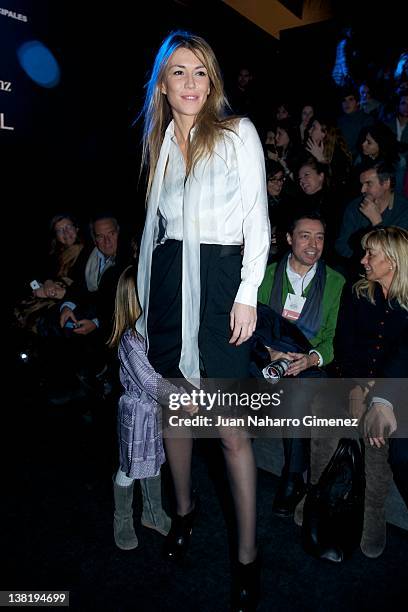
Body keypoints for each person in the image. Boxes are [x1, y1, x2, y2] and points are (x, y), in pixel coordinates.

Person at [137, 30, 270, 610]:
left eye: (199, 72)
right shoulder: (161, 141)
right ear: (163, 85)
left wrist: (247, 292)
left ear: (211, 80)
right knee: (175, 407)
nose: (189, 83)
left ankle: (247, 556)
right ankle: (184, 514)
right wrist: (146, 294)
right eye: (177, 73)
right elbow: (156, 229)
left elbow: (258, 219)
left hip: (221, 280)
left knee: (232, 430)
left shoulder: (238, 132)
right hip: (170, 276)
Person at [318, 227, 408, 558]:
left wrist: (376, 395)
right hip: (352, 379)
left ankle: (372, 523)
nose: (363, 260)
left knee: (377, 437)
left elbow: (402, 360)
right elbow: (345, 345)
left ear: (394, 261)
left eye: (371, 254)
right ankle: (319, 501)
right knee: (325, 415)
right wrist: (356, 387)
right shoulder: (357, 294)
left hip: (396, 392)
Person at [257, 213, 345, 517]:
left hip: (310, 362)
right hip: (268, 356)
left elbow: (335, 337)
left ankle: (293, 477)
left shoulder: (336, 282)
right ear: (289, 239)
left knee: (298, 387)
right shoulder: (266, 274)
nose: (313, 244)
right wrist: (270, 352)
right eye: (305, 236)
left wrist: (311, 358)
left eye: (319, 237)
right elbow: (252, 323)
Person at [109, 265, 191, 550]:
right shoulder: (130, 341)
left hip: (155, 411)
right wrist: (180, 398)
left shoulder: (153, 333)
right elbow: (148, 378)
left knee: (154, 462)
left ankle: (153, 514)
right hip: (136, 413)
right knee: (130, 466)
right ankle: (122, 518)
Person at [335, 160, 408, 275]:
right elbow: (341, 246)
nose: (362, 190)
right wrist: (366, 260)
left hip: (393, 274)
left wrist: (377, 222)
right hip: (358, 270)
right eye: (362, 184)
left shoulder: (404, 210)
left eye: (368, 184)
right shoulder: (355, 206)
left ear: (386, 183)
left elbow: (397, 252)